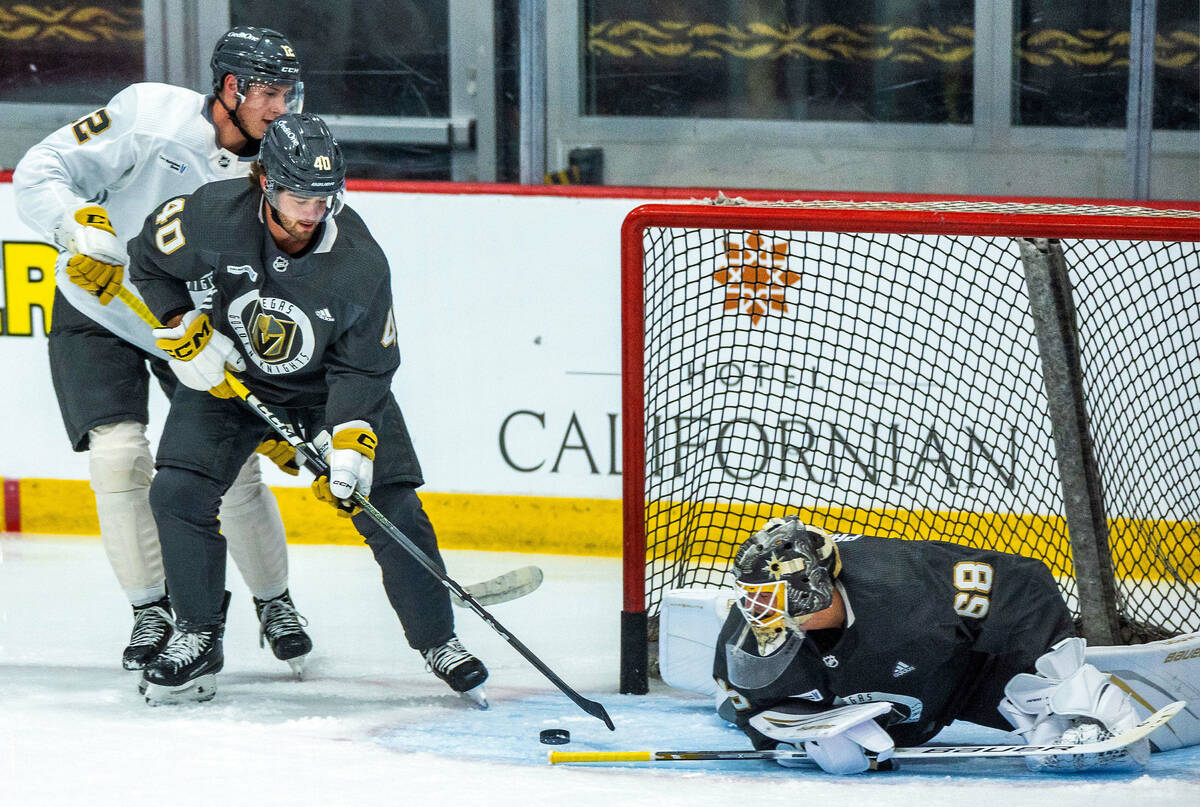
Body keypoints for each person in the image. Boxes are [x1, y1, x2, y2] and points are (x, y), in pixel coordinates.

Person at [125, 112, 489, 706]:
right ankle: (196, 631)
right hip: (231, 384)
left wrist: (347, 442)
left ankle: (438, 640)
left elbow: (366, 367)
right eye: (299, 197)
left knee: (390, 505)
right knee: (176, 493)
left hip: (330, 394)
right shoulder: (209, 215)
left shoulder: (360, 262)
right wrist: (180, 324)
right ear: (264, 181)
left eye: (324, 198)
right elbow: (147, 261)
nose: (312, 213)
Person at [12, 26, 314, 676]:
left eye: (288, 93)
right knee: (118, 457)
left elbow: (282, 282)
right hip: (101, 303)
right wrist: (72, 228)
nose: (281, 107)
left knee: (233, 469)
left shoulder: (284, 161)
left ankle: (275, 601)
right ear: (230, 88)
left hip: (196, 327)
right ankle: (152, 609)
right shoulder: (149, 115)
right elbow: (41, 168)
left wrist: (287, 402)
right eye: (268, 92)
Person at [712, 515, 1149, 774]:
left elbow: (1024, 583)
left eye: (770, 597)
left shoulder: (910, 583)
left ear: (817, 586)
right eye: (752, 596)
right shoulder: (749, 631)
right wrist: (799, 738)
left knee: (1046, 703)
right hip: (900, 700)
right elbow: (748, 707)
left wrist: (1051, 676)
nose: (757, 612)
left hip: (972, 670)